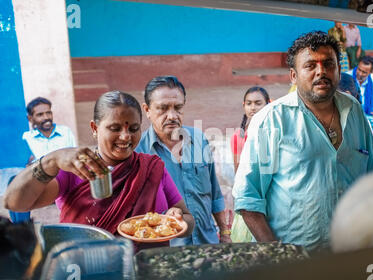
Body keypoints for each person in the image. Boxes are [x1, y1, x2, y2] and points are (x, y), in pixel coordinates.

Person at [232, 31, 373, 252]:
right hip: (293, 263)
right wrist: (279, 255)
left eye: (329, 64)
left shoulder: (354, 110)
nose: (321, 71)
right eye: (310, 66)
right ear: (293, 76)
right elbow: (248, 198)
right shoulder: (271, 119)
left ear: (338, 69)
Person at [4, 91, 195, 249]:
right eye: (115, 128)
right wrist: (51, 161)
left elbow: (187, 219)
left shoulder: (151, 167)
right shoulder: (75, 168)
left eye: (133, 128)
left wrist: (177, 221)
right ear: (95, 128)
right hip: (89, 273)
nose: (125, 137)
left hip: (149, 277)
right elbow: (15, 203)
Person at [136, 76, 230, 246]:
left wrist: (224, 233)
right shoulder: (138, 153)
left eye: (178, 108)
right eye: (162, 109)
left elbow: (214, 192)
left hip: (207, 243)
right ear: (147, 110)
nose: (172, 116)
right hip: (167, 251)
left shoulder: (199, 139)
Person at [230, 86, 270, 243]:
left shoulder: (274, 132)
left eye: (258, 103)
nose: (253, 108)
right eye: (249, 103)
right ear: (243, 106)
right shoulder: (238, 137)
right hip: (251, 196)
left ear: (268, 104)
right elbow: (238, 174)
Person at [346, 55, 373, 167]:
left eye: (364, 72)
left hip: (366, 116)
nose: (360, 74)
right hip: (350, 116)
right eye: (359, 69)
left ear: (370, 72)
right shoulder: (348, 77)